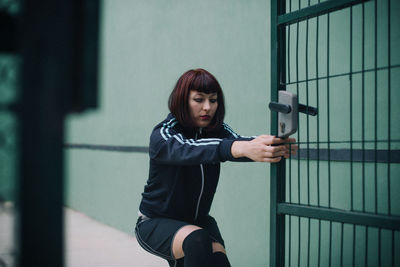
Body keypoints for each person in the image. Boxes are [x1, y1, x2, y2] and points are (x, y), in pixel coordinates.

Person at [135, 68, 296, 267]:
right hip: (155, 222)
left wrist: (270, 145)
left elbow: (238, 143)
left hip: (198, 221)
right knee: (196, 240)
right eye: (198, 99)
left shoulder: (216, 130)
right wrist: (237, 147)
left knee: (217, 260)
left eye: (213, 100)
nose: (207, 107)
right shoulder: (163, 135)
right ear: (182, 100)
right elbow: (190, 149)